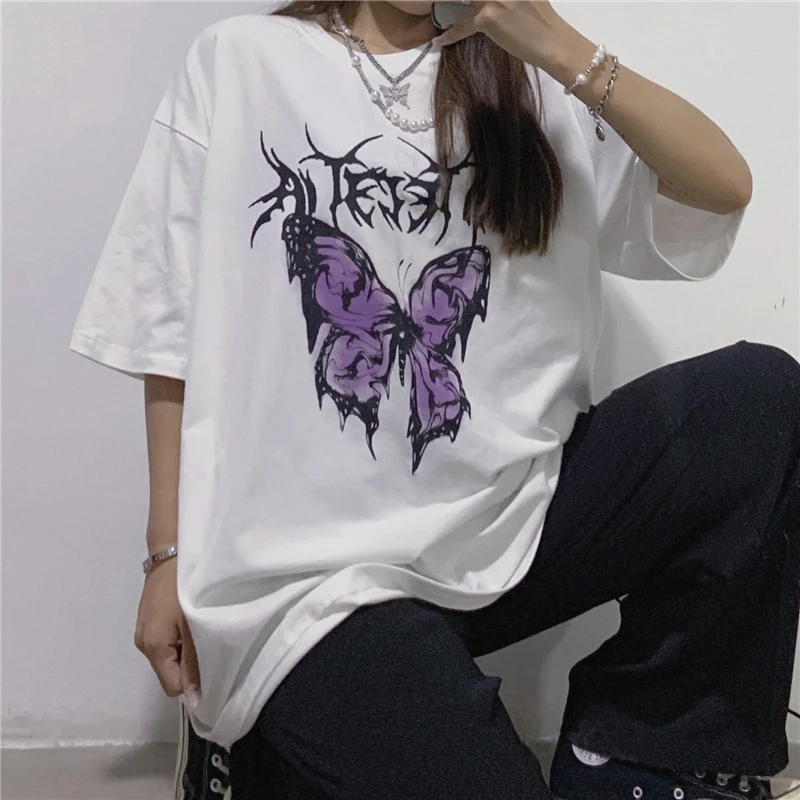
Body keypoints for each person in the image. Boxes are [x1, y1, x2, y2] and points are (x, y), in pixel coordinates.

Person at [70, 1, 800, 798]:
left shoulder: (532, 79)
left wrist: (560, 47)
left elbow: (721, 186)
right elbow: (169, 327)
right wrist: (168, 556)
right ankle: (257, 751)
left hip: (511, 519)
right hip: (313, 580)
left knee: (756, 402)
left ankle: (635, 762)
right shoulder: (241, 61)